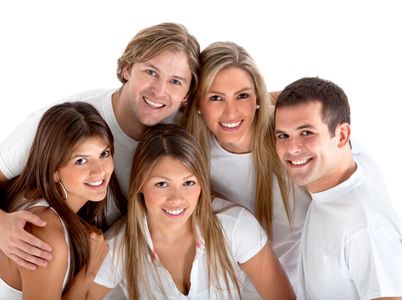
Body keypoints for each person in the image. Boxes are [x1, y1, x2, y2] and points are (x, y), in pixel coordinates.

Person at [0, 22, 200, 269]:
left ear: (188, 93)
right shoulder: (68, 122)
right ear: (128, 69)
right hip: (37, 265)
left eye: (176, 82)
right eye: (151, 72)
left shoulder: (181, 136)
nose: (159, 91)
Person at [89, 124, 295, 299]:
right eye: (162, 184)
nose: (177, 199)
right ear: (140, 184)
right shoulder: (118, 245)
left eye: (188, 183)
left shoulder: (235, 226)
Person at [184, 41, 311, 292]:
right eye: (216, 98)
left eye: (242, 96)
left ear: (257, 98)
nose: (231, 112)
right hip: (232, 290)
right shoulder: (191, 152)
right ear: (198, 103)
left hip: (305, 286)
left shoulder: (290, 138)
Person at [0, 102, 114, 299]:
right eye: (80, 160)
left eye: (104, 154)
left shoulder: (36, 198)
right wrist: (88, 273)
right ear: (54, 170)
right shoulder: (44, 231)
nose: (99, 171)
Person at [274, 77, 402, 299]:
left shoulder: (363, 227)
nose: (292, 148)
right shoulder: (354, 162)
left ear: (342, 135)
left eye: (306, 133)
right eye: (283, 135)